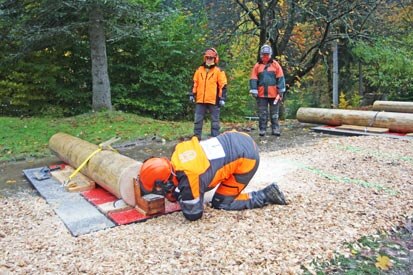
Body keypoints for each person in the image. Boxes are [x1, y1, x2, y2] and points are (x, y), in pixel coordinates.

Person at [138, 131, 287, 221]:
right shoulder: (178, 152)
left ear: (165, 182)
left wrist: (178, 195)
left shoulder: (190, 177)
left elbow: (193, 214)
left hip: (247, 157)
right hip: (238, 137)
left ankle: (265, 195)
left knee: (221, 203)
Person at [189, 48, 228, 140]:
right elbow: (195, 83)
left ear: (215, 59)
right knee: (198, 120)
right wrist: (192, 94)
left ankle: (215, 139)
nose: (209, 60)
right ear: (205, 58)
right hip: (200, 99)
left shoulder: (219, 71)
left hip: (214, 100)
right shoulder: (199, 70)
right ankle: (196, 138)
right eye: (207, 58)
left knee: (215, 121)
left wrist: (222, 98)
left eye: (211, 58)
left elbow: (223, 85)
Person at [249, 44, 286, 136]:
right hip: (261, 94)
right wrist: (254, 90)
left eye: (267, 54)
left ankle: (275, 129)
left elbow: (281, 78)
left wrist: (281, 90)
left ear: (270, 55)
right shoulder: (257, 66)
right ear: (261, 55)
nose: (265, 56)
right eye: (263, 54)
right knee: (262, 113)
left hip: (274, 94)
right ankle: (262, 129)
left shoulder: (275, 65)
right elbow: (253, 78)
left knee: (274, 114)